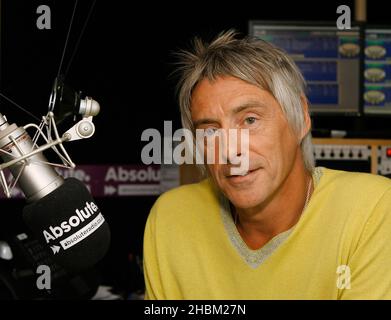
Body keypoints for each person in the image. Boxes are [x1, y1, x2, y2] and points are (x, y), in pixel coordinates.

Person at [143, 30, 391, 299]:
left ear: (301, 118)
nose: (230, 151)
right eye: (210, 131)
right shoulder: (171, 217)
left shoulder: (372, 209)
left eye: (250, 120)